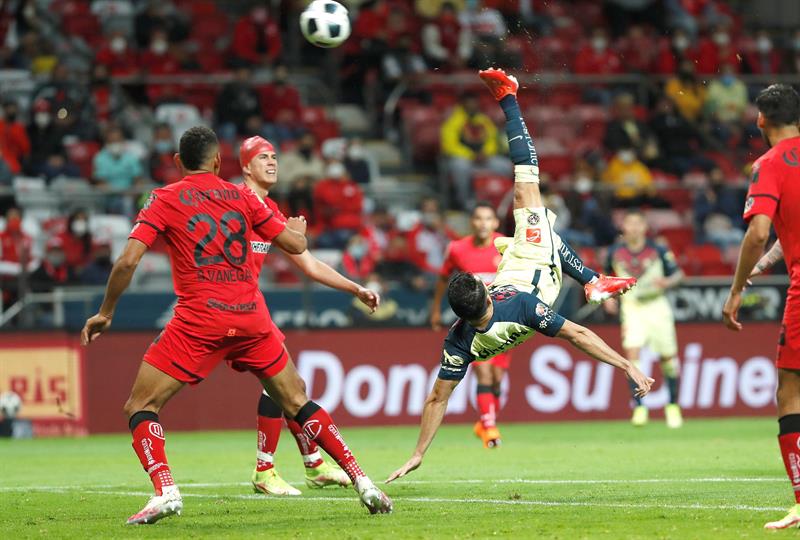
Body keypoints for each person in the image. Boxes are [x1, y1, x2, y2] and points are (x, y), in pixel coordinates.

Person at [80, 127, 392, 525]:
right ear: (218, 162)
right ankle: (363, 481)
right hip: (250, 316)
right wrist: (297, 232)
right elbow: (297, 248)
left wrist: (106, 311)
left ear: (178, 162)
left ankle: (166, 491)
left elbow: (127, 261)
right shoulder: (243, 198)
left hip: (200, 319)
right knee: (295, 398)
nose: (273, 162)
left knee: (140, 405)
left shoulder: (163, 197)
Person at [388, 69, 652, 484]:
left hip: (515, 268)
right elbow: (580, 337)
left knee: (513, 236)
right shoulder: (522, 307)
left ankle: (589, 278)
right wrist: (628, 366)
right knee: (526, 179)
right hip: (537, 270)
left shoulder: (458, 338)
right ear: (487, 293)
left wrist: (418, 453)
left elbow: (437, 398)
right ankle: (509, 99)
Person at [237, 135, 379, 496]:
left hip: (247, 306)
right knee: (284, 386)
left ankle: (310, 466)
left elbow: (309, 264)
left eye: (274, 156)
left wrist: (355, 289)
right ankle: (270, 470)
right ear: (244, 166)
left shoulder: (269, 213)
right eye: (262, 157)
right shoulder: (233, 203)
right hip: (226, 307)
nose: (271, 162)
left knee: (289, 386)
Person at [429, 201, 634, 447]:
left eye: (488, 219)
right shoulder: (457, 249)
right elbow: (443, 279)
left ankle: (487, 418)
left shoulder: (502, 243)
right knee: (483, 369)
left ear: (495, 223)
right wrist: (435, 309)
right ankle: (489, 425)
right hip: (477, 317)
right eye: (478, 218)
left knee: (496, 377)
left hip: (508, 314)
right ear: (471, 222)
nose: (483, 223)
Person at [721, 84, 800, 530]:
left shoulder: (768, 165)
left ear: (760, 121)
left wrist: (736, 290)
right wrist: (770, 262)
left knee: (790, 387)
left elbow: (758, 233)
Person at [604, 210, 685, 428]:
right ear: (624, 228)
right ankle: (639, 407)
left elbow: (679, 274)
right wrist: (607, 298)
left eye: (638, 223)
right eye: (629, 223)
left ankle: (672, 406)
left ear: (644, 227)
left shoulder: (658, 249)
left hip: (657, 306)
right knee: (632, 355)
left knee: (668, 358)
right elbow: (605, 280)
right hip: (632, 307)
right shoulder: (614, 252)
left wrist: (667, 283)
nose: (634, 228)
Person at [441, 91, 512, 210]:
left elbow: (492, 140)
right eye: (469, 104)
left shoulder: (483, 120)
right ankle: (465, 201)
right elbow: (449, 145)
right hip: (464, 159)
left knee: (505, 166)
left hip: (484, 158)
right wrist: (471, 155)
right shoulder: (453, 121)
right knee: (460, 167)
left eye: (474, 104)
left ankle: (503, 199)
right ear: (463, 105)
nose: (472, 107)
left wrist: (485, 153)